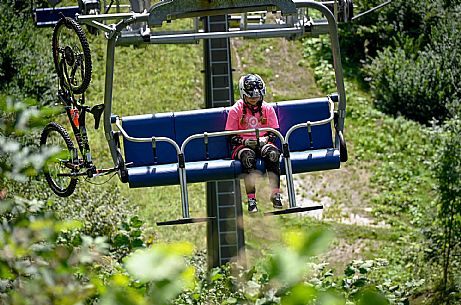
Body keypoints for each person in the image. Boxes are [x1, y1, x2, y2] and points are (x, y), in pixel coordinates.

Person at [225, 74, 283, 213]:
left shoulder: (267, 109)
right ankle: (251, 199)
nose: (254, 99)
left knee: (273, 155)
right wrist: (244, 141)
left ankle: (275, 194)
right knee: (248, 158)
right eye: (251, 97)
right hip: (243, 145)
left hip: (263, 142)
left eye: (256, 97)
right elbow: (230, 136)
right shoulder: (236, 110)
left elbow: (274, 132)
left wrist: (266, 139)